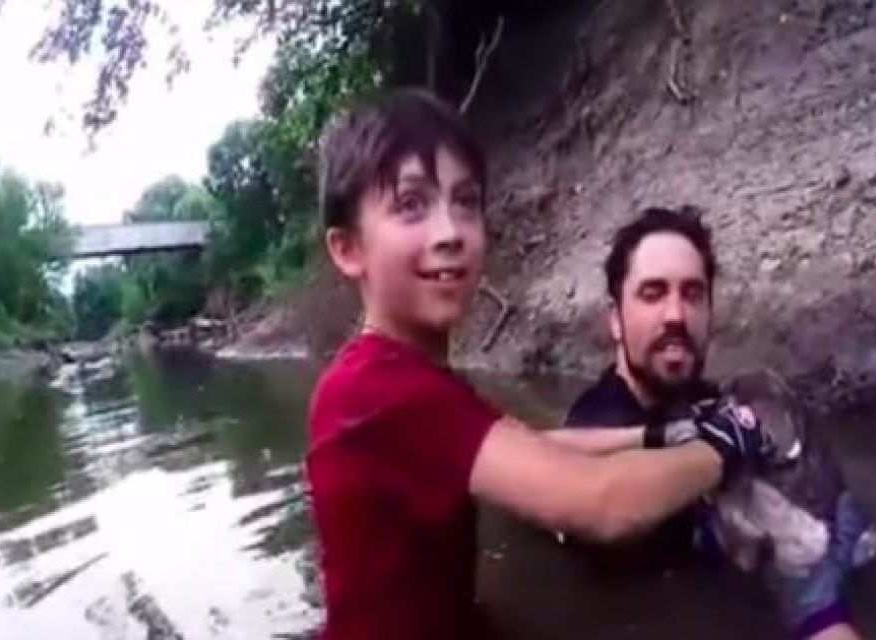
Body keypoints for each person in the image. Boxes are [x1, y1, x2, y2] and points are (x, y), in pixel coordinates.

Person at [306, 90, 772, 639]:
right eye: (411, 205)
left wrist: (667, 433)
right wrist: (727, 442)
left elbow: (538, 447)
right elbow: (603, 503)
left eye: (466, 201)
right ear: (347, 249)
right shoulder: (382, 390)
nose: (450, 232)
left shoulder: (403, 378)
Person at [561, 206, 866, 640]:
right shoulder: (596, 425)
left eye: (692, 294)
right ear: (615, 319)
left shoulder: (719, 404)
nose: (676, 316)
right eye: (652, 293)